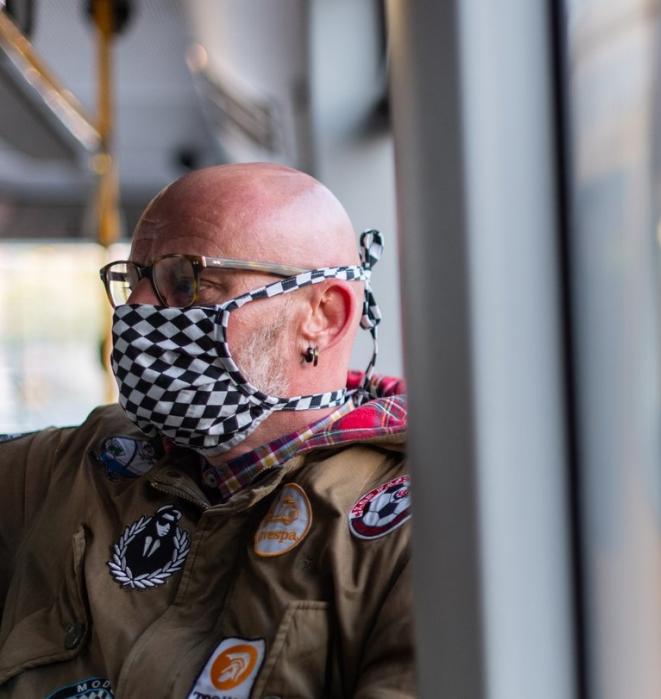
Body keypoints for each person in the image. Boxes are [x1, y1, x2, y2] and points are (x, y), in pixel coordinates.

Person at [0, 163, 413, 697]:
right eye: (136, 279)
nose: (137, 309)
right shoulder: (78, 461)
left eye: (187, 281)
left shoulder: (408, 525)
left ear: (324, 315)